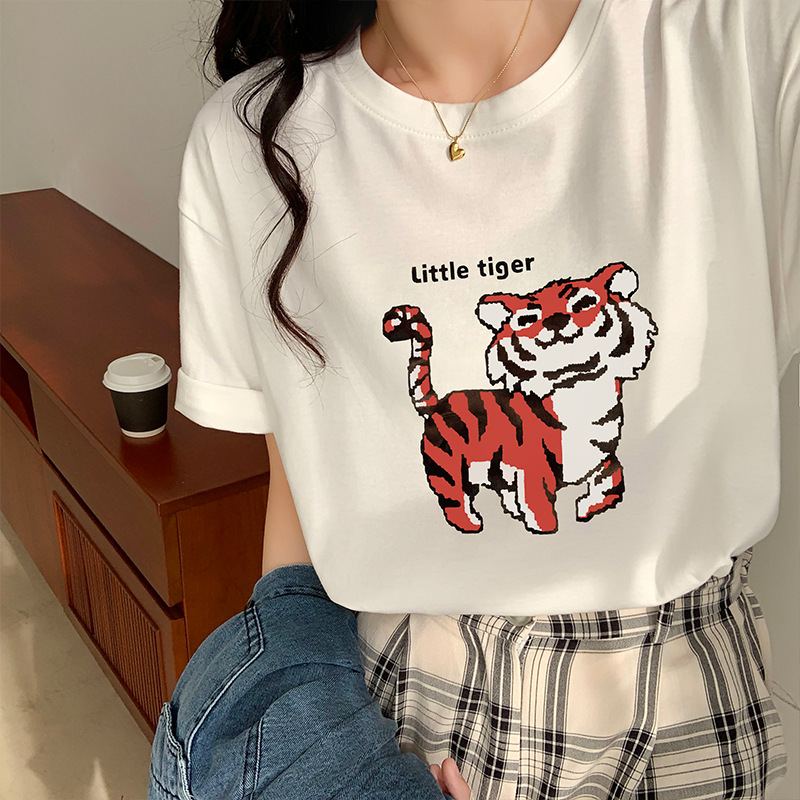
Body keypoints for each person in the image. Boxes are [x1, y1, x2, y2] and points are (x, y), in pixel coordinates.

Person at [150, 0, 798, 797]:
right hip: (402, 705)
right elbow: (301, 496)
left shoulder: (746, 40)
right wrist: (328, 755)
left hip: (683, 695)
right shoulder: (252, 137)